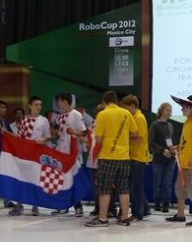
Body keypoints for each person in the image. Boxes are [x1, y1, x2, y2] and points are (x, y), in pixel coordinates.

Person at [86, 91, 138, 227]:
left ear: (104, 102)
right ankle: (124, 217)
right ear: (116, 101)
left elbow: (98, 138)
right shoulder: (126, 113)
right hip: (124, 156)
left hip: (107, 157)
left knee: (104, 188)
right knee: (123, 187)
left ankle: (103, 219)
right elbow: (134, 133)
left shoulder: (102, 114)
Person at [165, 95, 192, 226]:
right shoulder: (187, 123)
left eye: (183, 107)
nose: (182, 110)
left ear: (190, 108)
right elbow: (187, 143)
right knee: (179, 188)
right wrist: (177, 148)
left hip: (191, 165)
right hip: (183, 163)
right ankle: (180, 215)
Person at [9, 96, 50, 216]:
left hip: (37, 154)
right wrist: (8, 135)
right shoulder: (24, 120)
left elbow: (48, 136)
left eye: (40, 105)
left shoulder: (44, 120)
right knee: (22, 178)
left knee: (35, 179)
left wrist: (43, 139)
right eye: (36, 105)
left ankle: (35, 206)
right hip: (25, 154)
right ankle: (19, 205)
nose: (39, 107)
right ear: (30, 106)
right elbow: (20, 137)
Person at [51, 92, 87, 216]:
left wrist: (73, 132)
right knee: (62, 179)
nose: (58, 104)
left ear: (65, 101)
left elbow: (83, 132)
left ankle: (78, 206)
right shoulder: (59, 116)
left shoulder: (76, 114)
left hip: (73, 152)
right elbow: (57, 134)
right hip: (61, 152)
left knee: (74, 179)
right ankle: (63, 205)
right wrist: (55, 132)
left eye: (59, 101)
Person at [121, 94, 151, 220]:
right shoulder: (134, 117)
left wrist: (125, 138)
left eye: (126, 108)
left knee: (135, 187)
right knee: (136, 185)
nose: (125, 111)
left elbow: (139, 138)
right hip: (134, 155)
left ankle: (137, 213)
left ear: (132, 106)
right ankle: (144, 208)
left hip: (138, 156)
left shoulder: (139, 118)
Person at [148, 102, 175, 213]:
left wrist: (172, 149)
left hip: (170, 159)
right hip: (159, 159)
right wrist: (162, 150)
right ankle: (157, 202)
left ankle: (166, 203)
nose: (169, 112)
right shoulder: (154, 125)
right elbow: (151, 143)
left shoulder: (170, 126)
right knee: (158, 181)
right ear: (161, 111)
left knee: (167, 182)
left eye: (170, 110)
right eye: (167, 110)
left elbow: (171, 141)